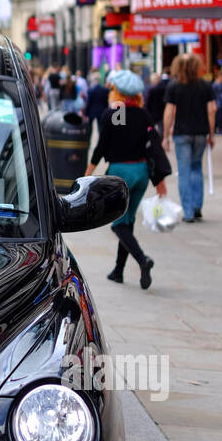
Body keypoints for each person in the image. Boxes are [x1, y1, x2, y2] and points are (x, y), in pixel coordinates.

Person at [84, 70, 168, 288]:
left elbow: (102, 145)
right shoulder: (144, 114)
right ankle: (118, 271)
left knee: (118, 224)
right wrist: (160, 180)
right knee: (127, 220)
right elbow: (154, 147)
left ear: (117, 91)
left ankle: (142, 260)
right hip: (141, 173)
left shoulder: (115, 113)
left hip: (121, 174)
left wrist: (88, 172)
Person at [163, 53, 216, 223]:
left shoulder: (174, 86)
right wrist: (211, 134)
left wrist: (165, 136)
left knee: (184, 170)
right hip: (200, 132)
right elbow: (211, 110)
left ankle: (188, 212)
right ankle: (197, 206)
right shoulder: (205, 86)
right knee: (196, 168)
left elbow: (169, 112)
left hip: (181, 133)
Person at [85, 71, 109, 147]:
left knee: (89, 129)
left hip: (92, 111)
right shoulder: (105, 90)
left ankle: (88, 141)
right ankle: (100, 143)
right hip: (101, 111)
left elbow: (88, 103)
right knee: (100, 128)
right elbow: (106, 102)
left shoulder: (91, 90)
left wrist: (86, 113)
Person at [144, 71, 170, 137]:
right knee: (161, 130)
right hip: (161, 113)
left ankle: (153, 139)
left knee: (150, 129)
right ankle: (161, 140)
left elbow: (147, 102)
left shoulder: (150, 90)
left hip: (152, 113)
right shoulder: (164, 89)